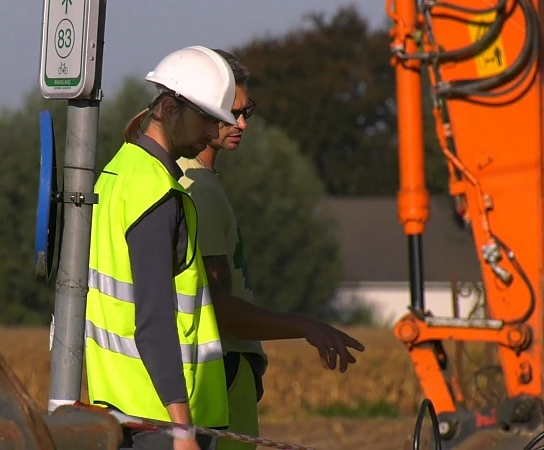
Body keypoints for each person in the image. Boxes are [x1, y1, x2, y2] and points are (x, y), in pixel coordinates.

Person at [175, 49, 367, 450]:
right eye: (232, 112)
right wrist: (304, 326)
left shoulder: (198, 182)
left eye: (248, 111)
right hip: (221, 376)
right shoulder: (199, 191)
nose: (242, 123)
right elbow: (219, 308)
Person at [84, 45, 239, 450]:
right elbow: (153, 321)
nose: (212, 133)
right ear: (170, 107)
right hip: (160, 420)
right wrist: (183, 428)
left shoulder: (117, 173)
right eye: (206, 119)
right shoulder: (156, 192)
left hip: (123, 406)